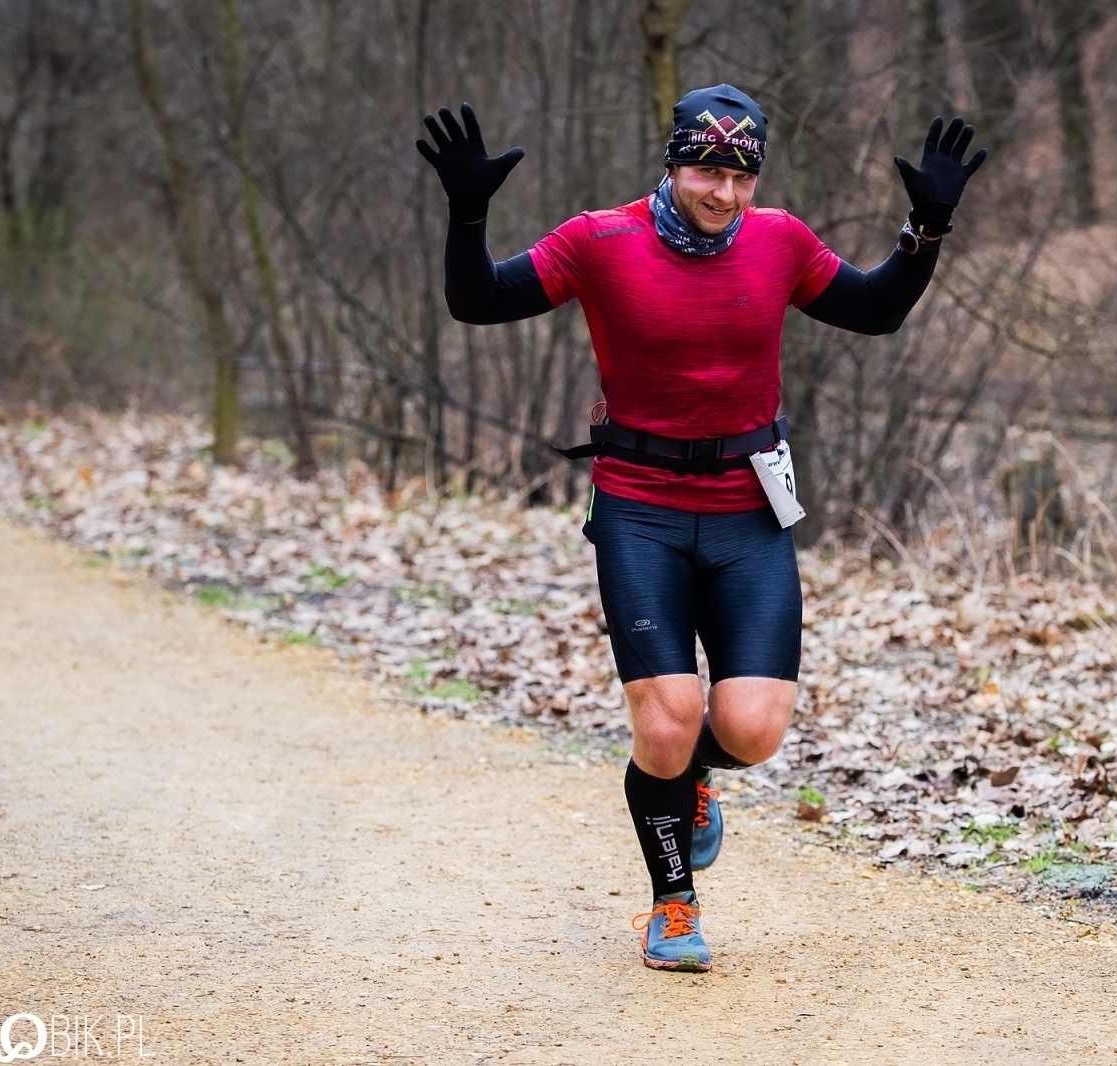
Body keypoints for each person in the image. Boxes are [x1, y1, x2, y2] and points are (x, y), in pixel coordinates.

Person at [416, 84, 986, 973]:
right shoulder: (599, 241)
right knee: (668, 719)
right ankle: (673, 904)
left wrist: (927, 229)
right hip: (639, 508)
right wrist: (467, 212)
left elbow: (875, 309)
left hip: (748, 511)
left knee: (752, 727)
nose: (724, 193)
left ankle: (693, 778)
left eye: (741, 176)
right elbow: (478, 301)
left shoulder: (779, 241)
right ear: (674, 163)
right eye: (707, 171)